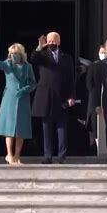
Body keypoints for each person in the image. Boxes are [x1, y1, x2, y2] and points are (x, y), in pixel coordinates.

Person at [0, 37, 37, 164]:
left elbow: (33, 83)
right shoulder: (8, 64)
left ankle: (17, 155)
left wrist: (25, 89)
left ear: (22, 54)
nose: (14, 56)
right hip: (9, 98)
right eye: (12, 53)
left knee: (21, 129)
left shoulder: (28, 67)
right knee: (9, 128)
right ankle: (9, 154)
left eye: (17, 53)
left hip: (23, 98)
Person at [31, 32, 75, 164]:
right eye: (49, 41)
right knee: (46, 128)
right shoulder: (42, 55)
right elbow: (33, 58)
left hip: (62, 96)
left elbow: (71, 78)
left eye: (53, 41)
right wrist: (39, 47)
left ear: (59, 42)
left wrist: (72, 96)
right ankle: (47, 155)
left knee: (62, 128)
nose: (51, 43)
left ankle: (62, 156)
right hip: (46, 96)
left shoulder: (66, 57)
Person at [85, 46, 107, 155]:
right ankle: (94, 150)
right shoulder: (94, 66)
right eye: (101, 52)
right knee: (94, 128)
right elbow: (89, 84)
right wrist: (96, 102)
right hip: (95, 102)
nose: (103, 54)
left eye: (105, 52)